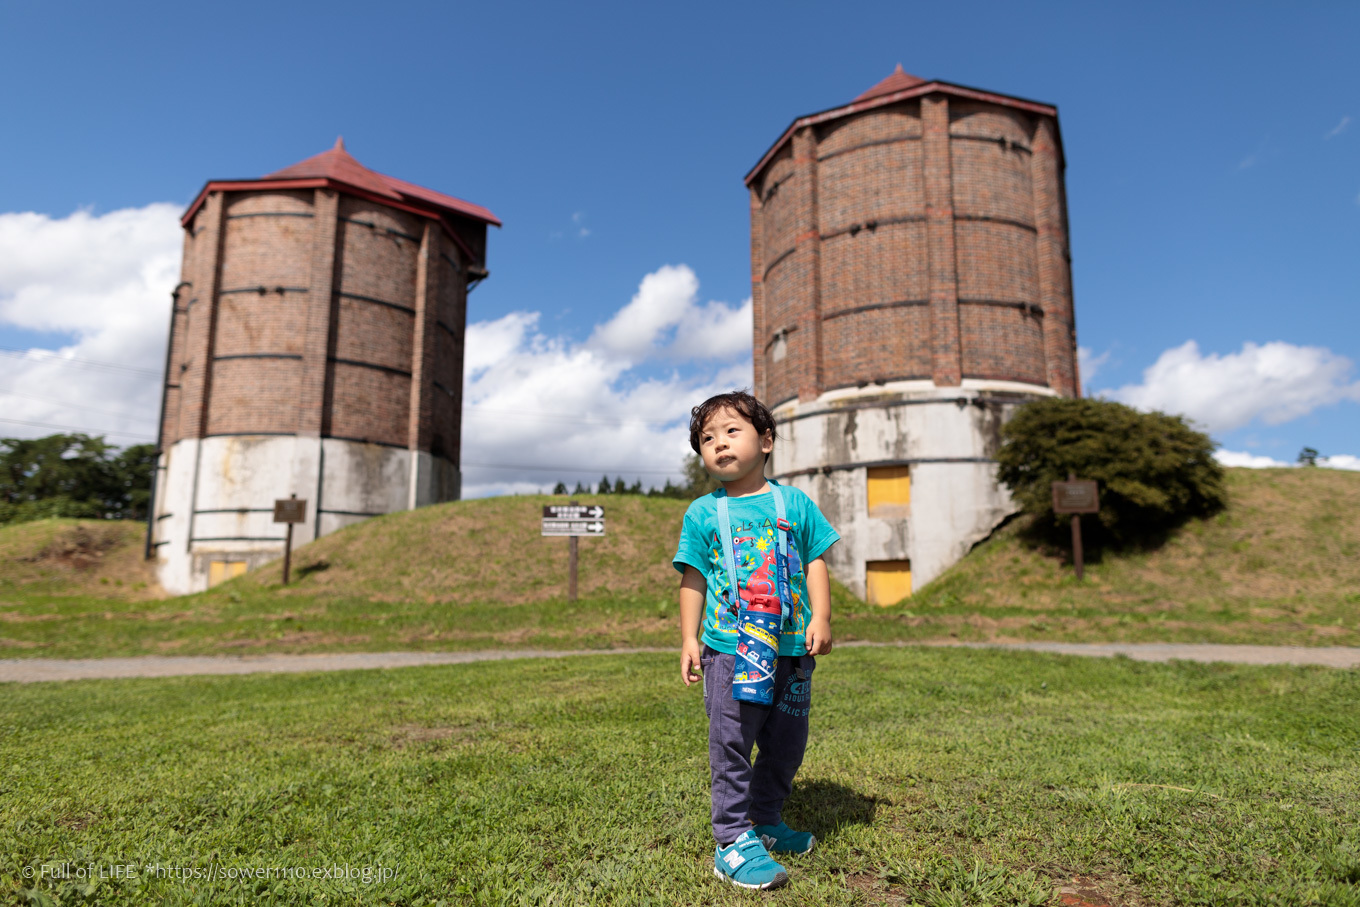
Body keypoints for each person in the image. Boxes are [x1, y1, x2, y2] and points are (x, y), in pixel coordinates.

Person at [672, 391, 840, 890]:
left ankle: (765, 821)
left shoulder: (795, 503)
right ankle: (730, 840)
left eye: (731, 431)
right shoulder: (703, 514)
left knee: (787, 745)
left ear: (765, 441)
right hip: (730, 653)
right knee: (732, 744)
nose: (719, 443)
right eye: (707, 438)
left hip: (790, 652)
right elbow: (693, 578)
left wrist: (823, 616)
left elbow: (815, 560)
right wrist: (687, 638)